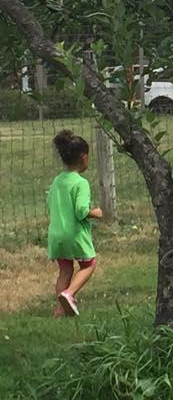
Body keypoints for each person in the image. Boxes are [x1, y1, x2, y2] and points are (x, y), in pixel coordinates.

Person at [47, 130, 102, 317]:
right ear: (84, 157)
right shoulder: (81, 183)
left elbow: (50, 203)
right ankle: (69, 294)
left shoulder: (57, 181)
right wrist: (96, 213)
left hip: (56, 234)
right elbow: (81, 211)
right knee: (89, 264)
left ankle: (59, 310)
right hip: (74, 235)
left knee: (65, 270)